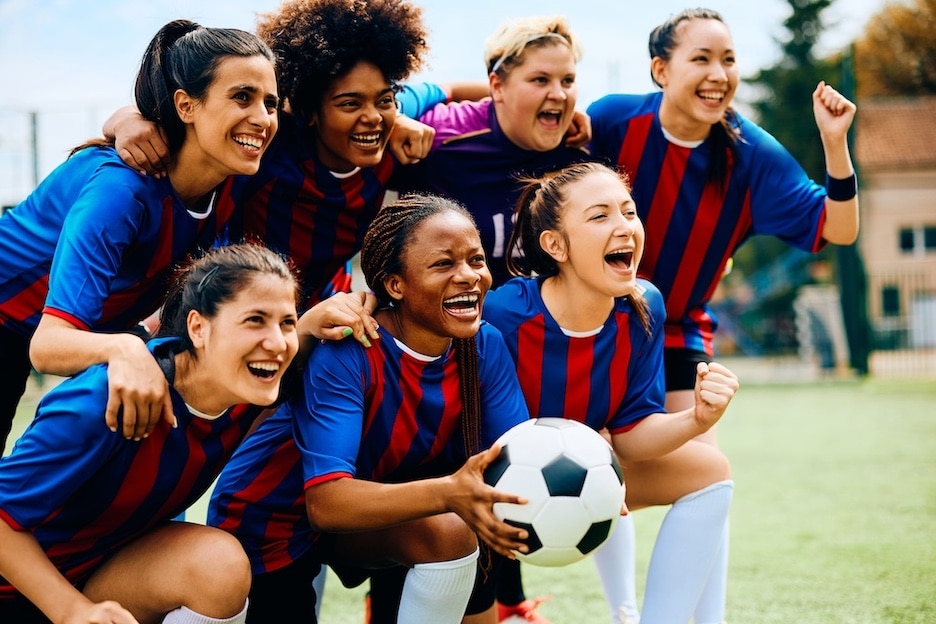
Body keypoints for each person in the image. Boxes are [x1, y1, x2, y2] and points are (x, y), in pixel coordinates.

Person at [586, 8, 859, 623]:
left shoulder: (750, 153)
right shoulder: (608, 122)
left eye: (729, 60)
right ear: (661, 69)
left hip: (680, 328)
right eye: (701, 59)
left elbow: (838, 228)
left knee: (705, 475)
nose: (718, 74)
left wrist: (836, 145)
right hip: (595, 323)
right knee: (588, 465)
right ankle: (624, 609)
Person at [208, 194, 532, 624]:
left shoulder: (484, 344)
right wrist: (447, 491)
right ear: (395, 285)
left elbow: (518, 459)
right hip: (273, 523)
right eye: (443, 264)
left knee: (454, 530)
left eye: (476, 259)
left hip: (385, 505)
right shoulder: (350, 347)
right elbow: (327, 502)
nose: (469, 276)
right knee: (452, 509)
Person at [0, 20, 280, 452]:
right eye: (242, 96)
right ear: (185, 105)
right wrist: (131, 348)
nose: (262, 118)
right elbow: (50, 345)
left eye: (271, 103)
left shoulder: (234, 177)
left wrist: (403, 121)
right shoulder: (122, 191)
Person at [484, 161, 740, 624]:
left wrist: (696, 419)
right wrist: (585, 444)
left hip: (584, 482)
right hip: (488, 490)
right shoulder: (504, 315)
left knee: (711, 470)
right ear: (554, 245)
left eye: (629, 212)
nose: (624, 227)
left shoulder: (643, 306)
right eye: (600, 216)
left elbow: (631, 430)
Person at [0, 242, 301, 624]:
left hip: (102, 574)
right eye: (255, 320)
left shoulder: (251, 386)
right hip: (22, 591)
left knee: (217, 564)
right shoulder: (104, 400)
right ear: (198, 327)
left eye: (287, 322)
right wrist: (71, 611)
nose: (276, 343)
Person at [391, 15, 592, 286]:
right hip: (447, 319)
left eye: (567, 80)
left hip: (545, 323)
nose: (559, 94)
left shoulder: (582, 151)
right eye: (540, 80)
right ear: (497, 86)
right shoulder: (440, 138)